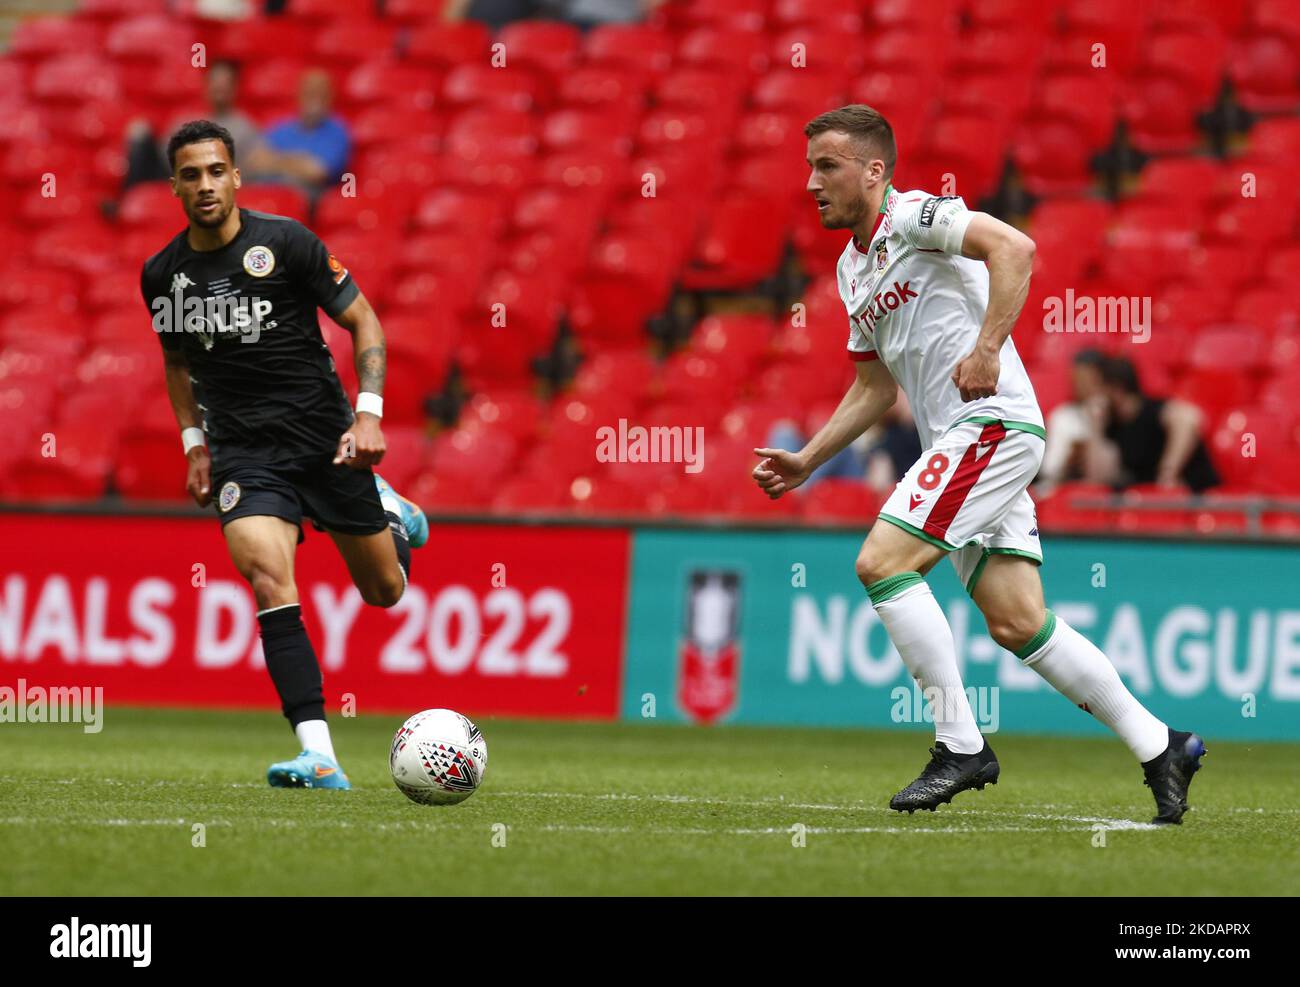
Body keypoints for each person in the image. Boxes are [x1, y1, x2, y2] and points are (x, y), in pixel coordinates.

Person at [751, 105, 1205, 824]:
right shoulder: (850, 269)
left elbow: (1015, 248)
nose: (812, 182)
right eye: (810, 167)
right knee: (1018, 621)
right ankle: (1162, 745)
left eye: (827, 166)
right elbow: (875, 386)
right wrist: (808, 458)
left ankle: (960, 743)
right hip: (960, 444)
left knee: (880, 562)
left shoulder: (915, 217)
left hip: (990, 424)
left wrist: (990, 346)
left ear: (875, 171)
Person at [139, 120, 429, 789]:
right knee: (269, 578)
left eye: (217, 170)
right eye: (191, 174)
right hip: (245, 455)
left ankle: (384, 510)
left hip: (325, 443)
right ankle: (319, 752)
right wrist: (195, 446)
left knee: (384, 591)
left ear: (237, 176)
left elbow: (364, 320)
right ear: (175, 186)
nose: (206, 184)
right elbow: (176, 364)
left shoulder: (288, 243)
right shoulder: (163, 275)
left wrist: (369, 415)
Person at [122, 61, 261, 189]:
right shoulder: (186, 118)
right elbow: (163, 153)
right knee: (139, 131)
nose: (219, 86)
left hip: (208, 180)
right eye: (214, 81)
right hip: (173, 172)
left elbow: (251, 166)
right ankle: (128, 203)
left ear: (235, 87)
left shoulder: (245, 126)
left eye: (225, 82)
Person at [1099, 356, 1220, 492]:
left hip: (1194, 494)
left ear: (1116, 388)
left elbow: (1188, 419)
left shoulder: (1154, 409)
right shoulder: (1111, 425)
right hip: (1146, 500)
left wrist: (1168, 472)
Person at [252, 69, 351, 198]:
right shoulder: (283, 128)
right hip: (270, 194)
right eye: (309, 93)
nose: (314, 99)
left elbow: (317, 173)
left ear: (330, 98)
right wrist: (299, 162)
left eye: (320, 93)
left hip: (310, 201)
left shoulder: (337, 132)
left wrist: (277, 161)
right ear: (298, 95)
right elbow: (256, 162)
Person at [1035, 348, 1107, 493]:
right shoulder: (1063, 416)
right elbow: (1049, 469)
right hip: (1060, 491)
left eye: (1087, 380)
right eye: (1077, 379)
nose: (1080, 385)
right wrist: (1070, 461)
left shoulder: (1116, 414)